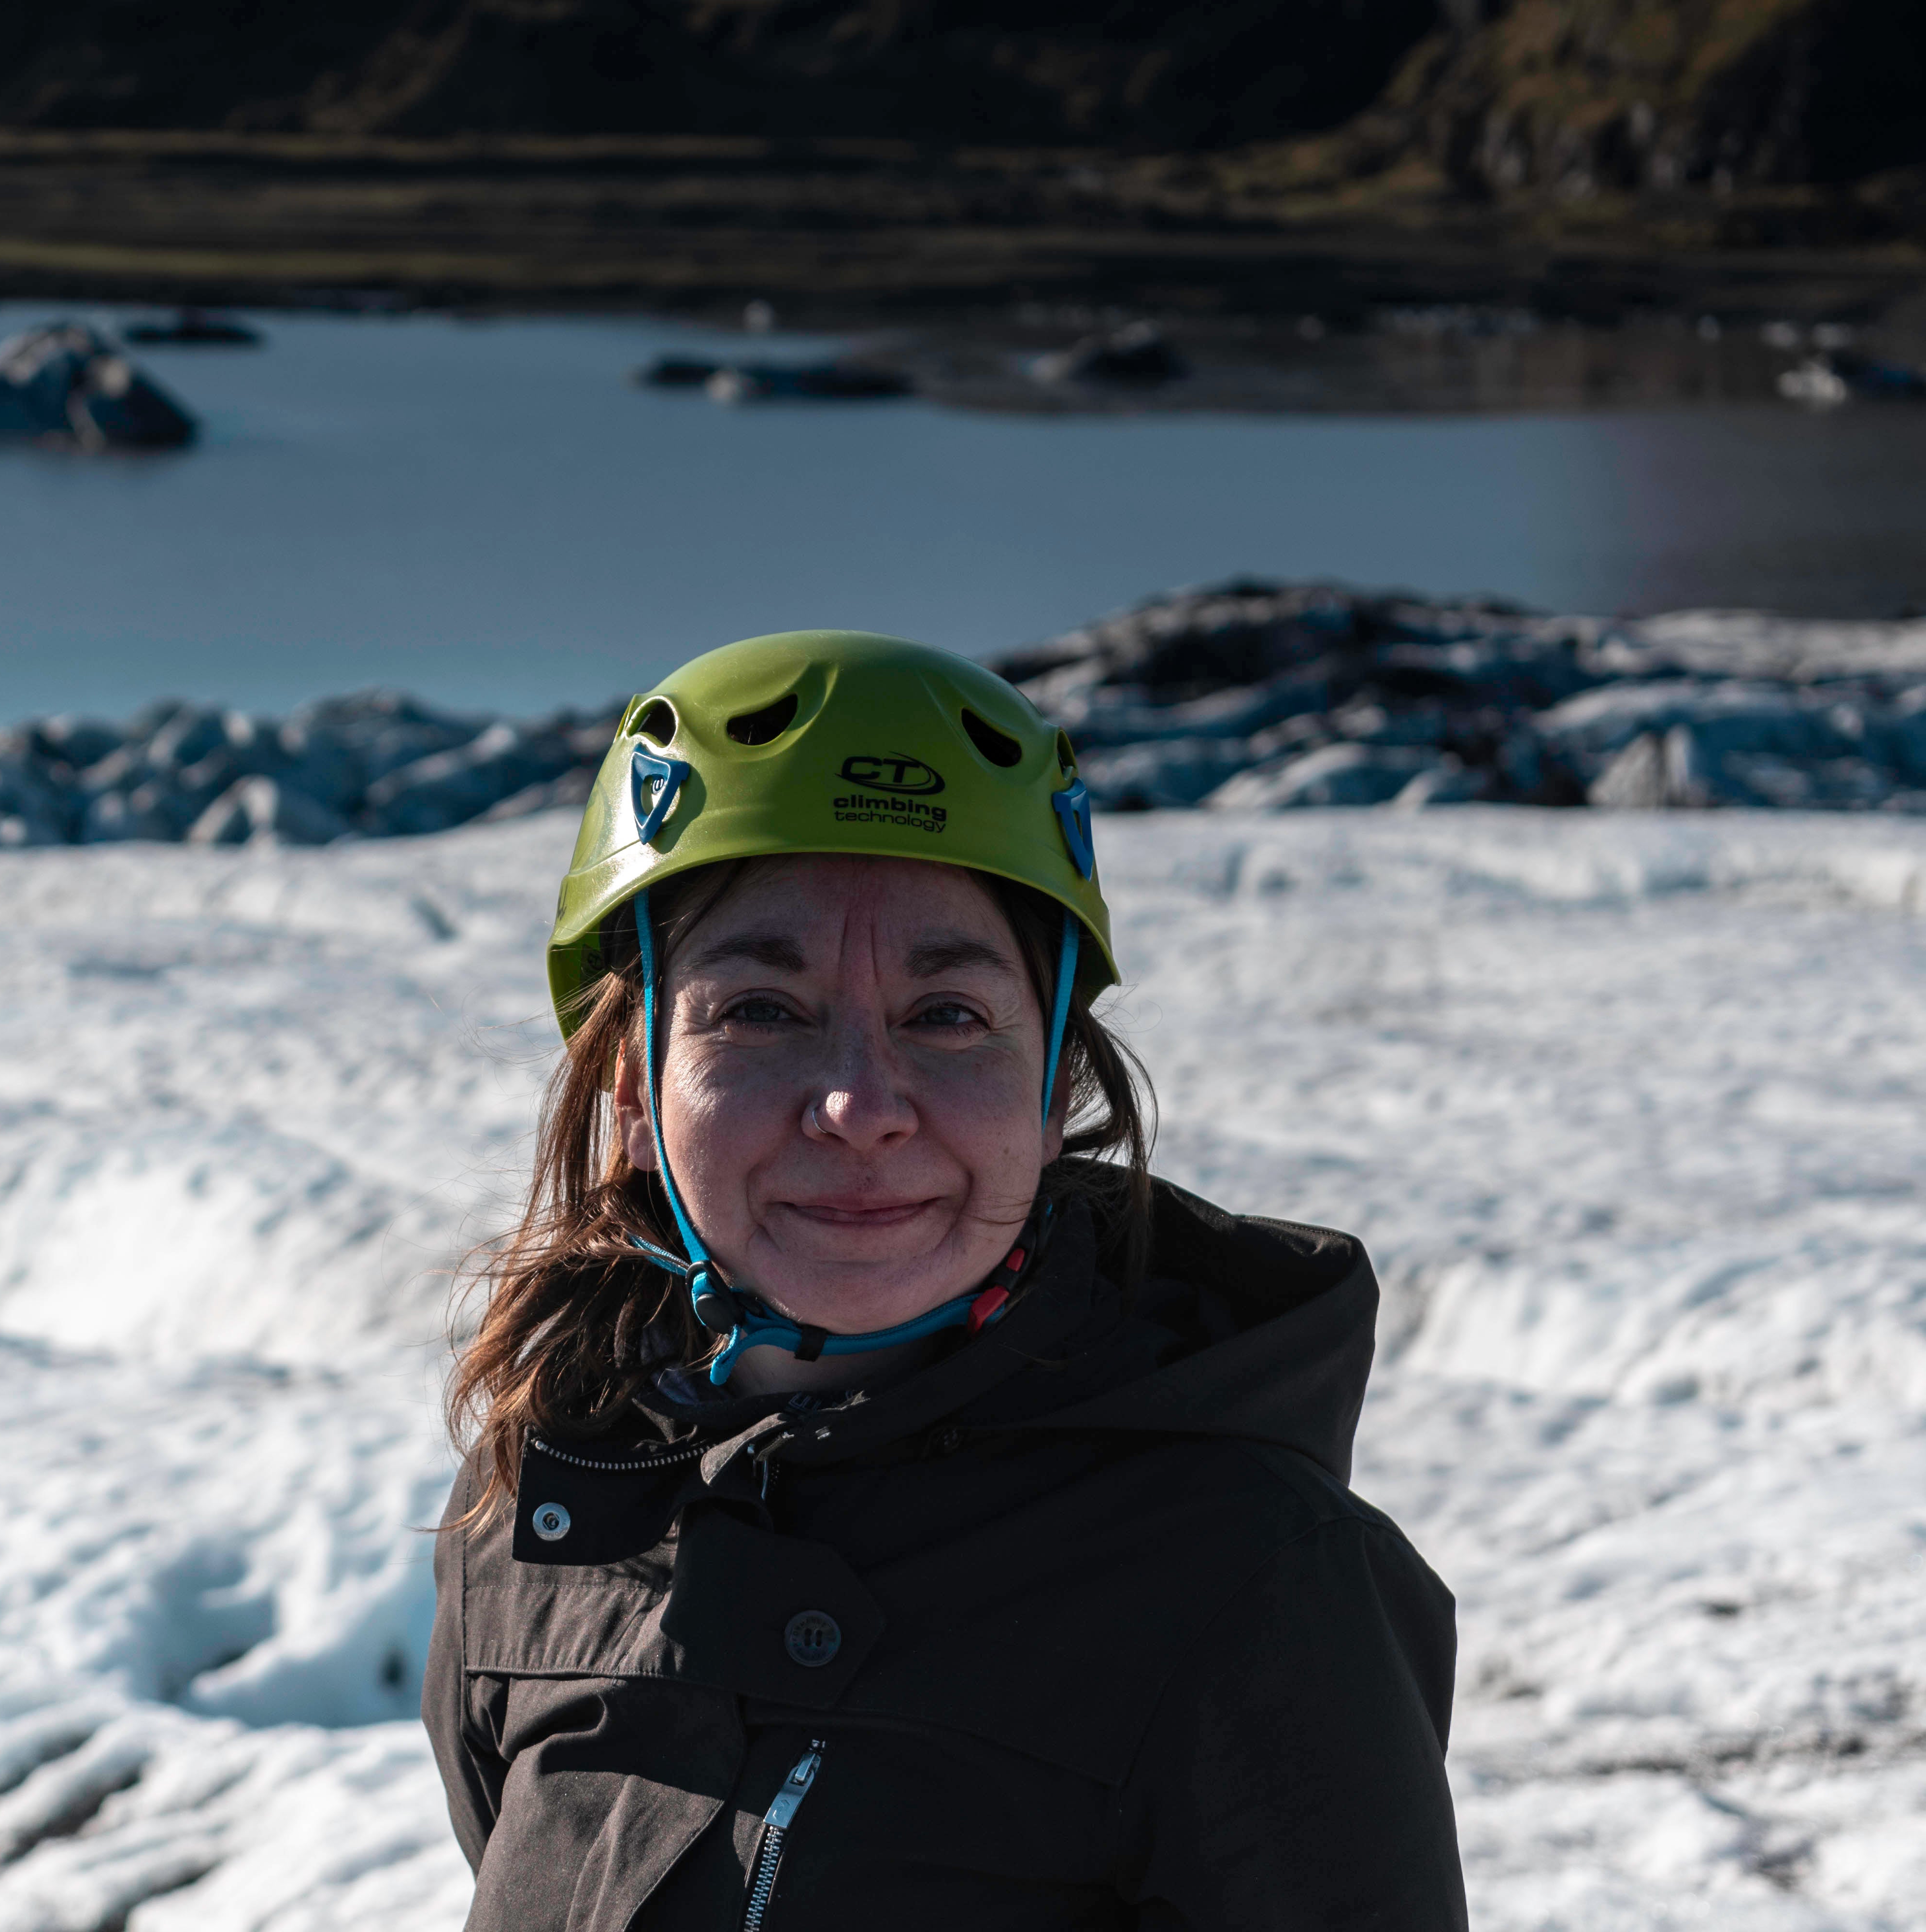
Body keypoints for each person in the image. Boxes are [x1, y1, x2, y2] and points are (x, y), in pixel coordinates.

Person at [425, 630, 1464, 1930]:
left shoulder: (1255, 1581)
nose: (860, 1106)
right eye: (760, 1010)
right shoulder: (541, 1502)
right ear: (633, 1088)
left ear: (1051, 1092)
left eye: (948, 1016)